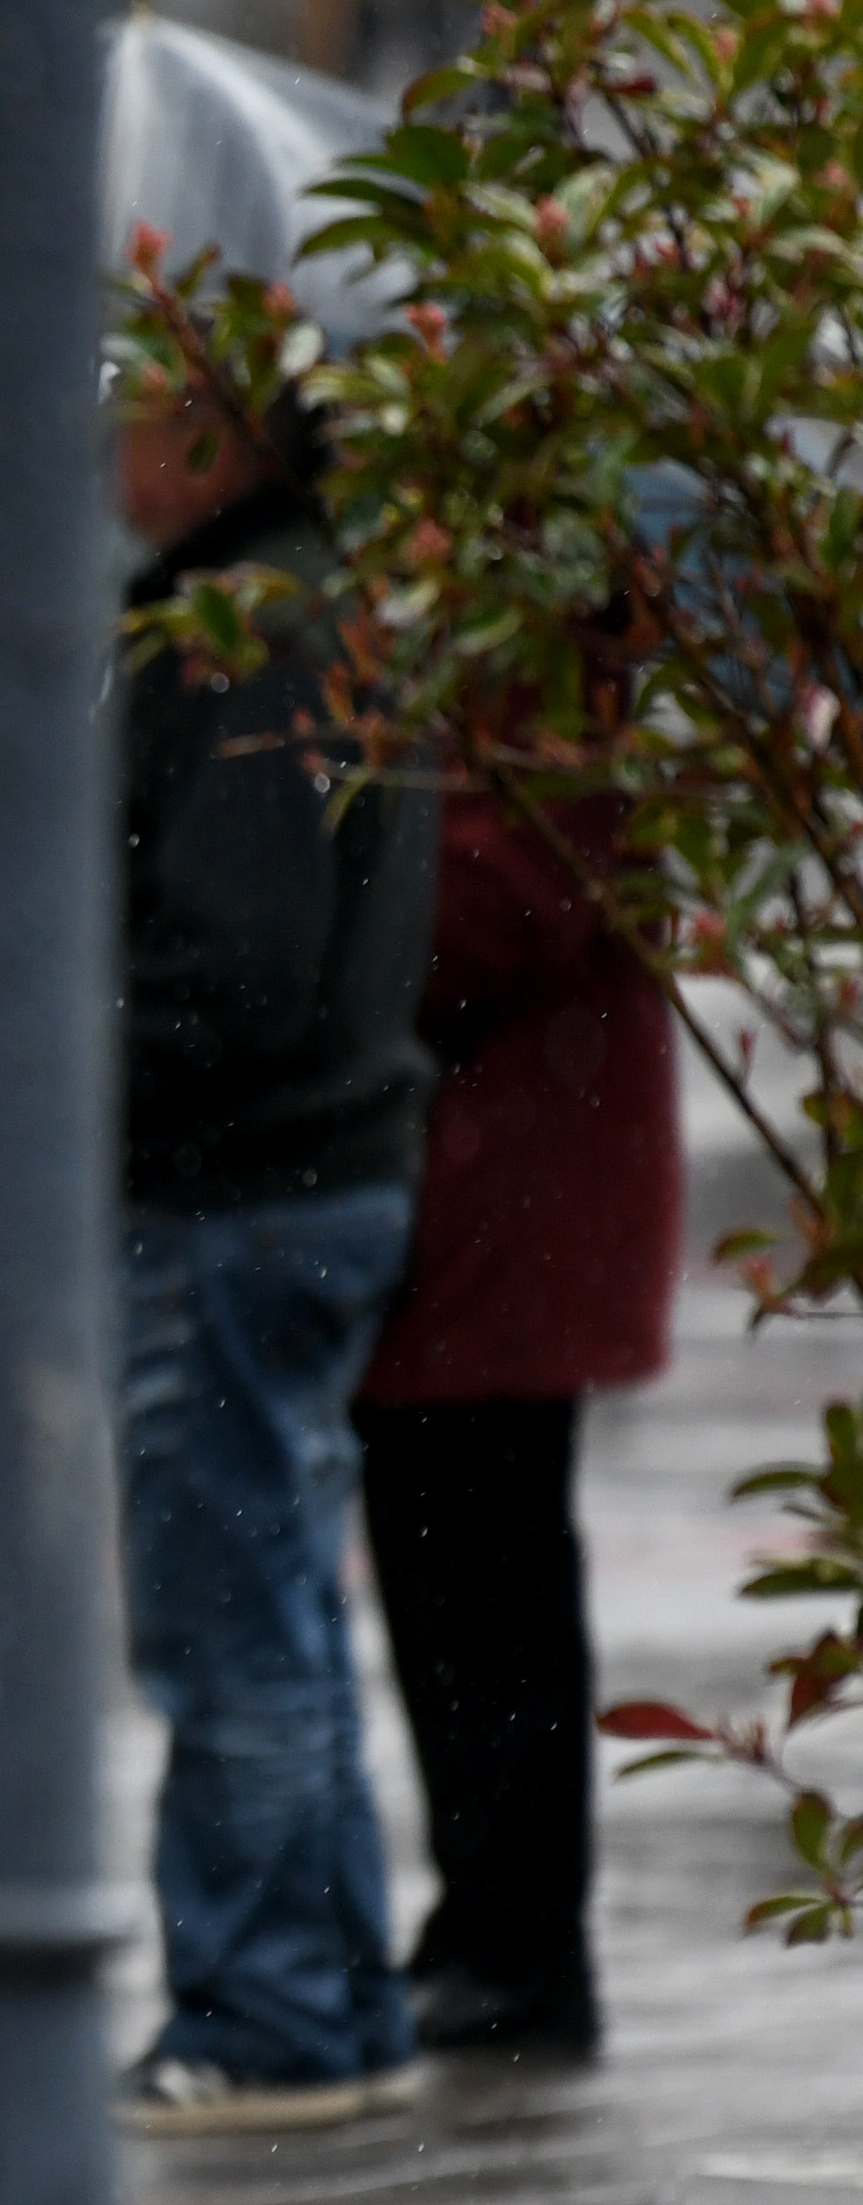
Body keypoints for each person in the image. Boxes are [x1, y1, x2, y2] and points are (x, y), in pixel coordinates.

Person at [108, 372, 438, 2136]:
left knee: (229, 1617)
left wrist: (75, 1056)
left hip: (233, 1183)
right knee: (279, 1605)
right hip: (311, 1167)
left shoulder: (244, 633)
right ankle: (329, 1991)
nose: (108, 443)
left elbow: (230, 963)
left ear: (225, 429)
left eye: (136, 401)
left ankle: (269, 2005)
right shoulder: (326, 606)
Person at [353, 765, 680, 2060]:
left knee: (483, 1583)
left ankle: (514, 1953)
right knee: (464, 1577)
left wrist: (339, 939)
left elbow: (498, 902)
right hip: (494, 1185)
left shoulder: (543, 664)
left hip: (509, 1196)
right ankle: (494, 1940)